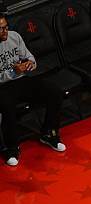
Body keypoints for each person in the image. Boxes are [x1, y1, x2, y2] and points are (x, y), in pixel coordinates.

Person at [0, 14, 65, 166]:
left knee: (54, 92)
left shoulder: (14, 36)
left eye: (6, 27)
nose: (5, 31)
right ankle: (12, 147)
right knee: (7, 106)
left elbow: (30, 58)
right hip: (3, 87)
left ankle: (49, 133)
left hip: (21, 80)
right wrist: (12, 72)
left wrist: (29, 64)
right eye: (1, 29)